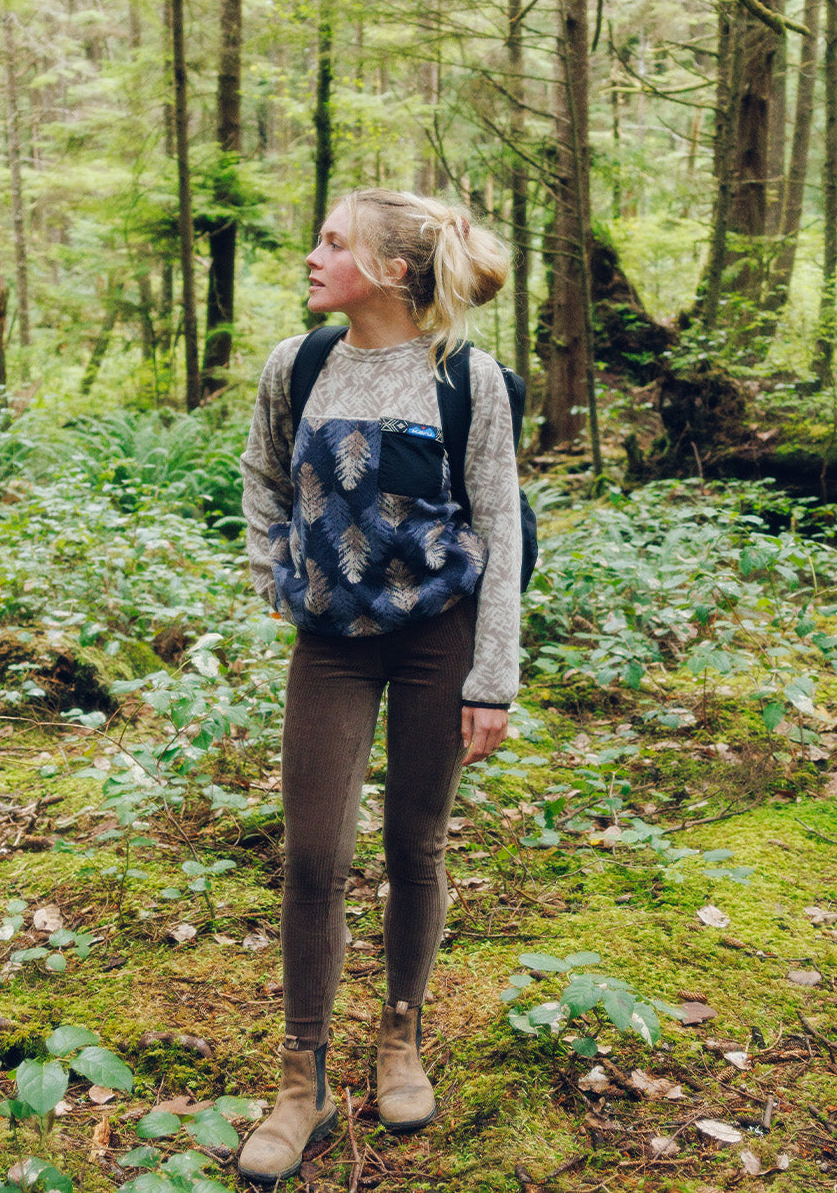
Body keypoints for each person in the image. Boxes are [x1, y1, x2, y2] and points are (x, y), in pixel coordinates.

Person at [238, 188, 521, 1185]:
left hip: (438, 639)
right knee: (314, 854)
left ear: (392, 270)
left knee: (415, 845)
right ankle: (302, 1079)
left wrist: (492, 677)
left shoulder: (466, 379)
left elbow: (500, 525)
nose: (313, 256)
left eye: (333, 242)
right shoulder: (297, 365)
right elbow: (263, 478)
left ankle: (401, 1036)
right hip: (330, 643)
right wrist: (276, 576)